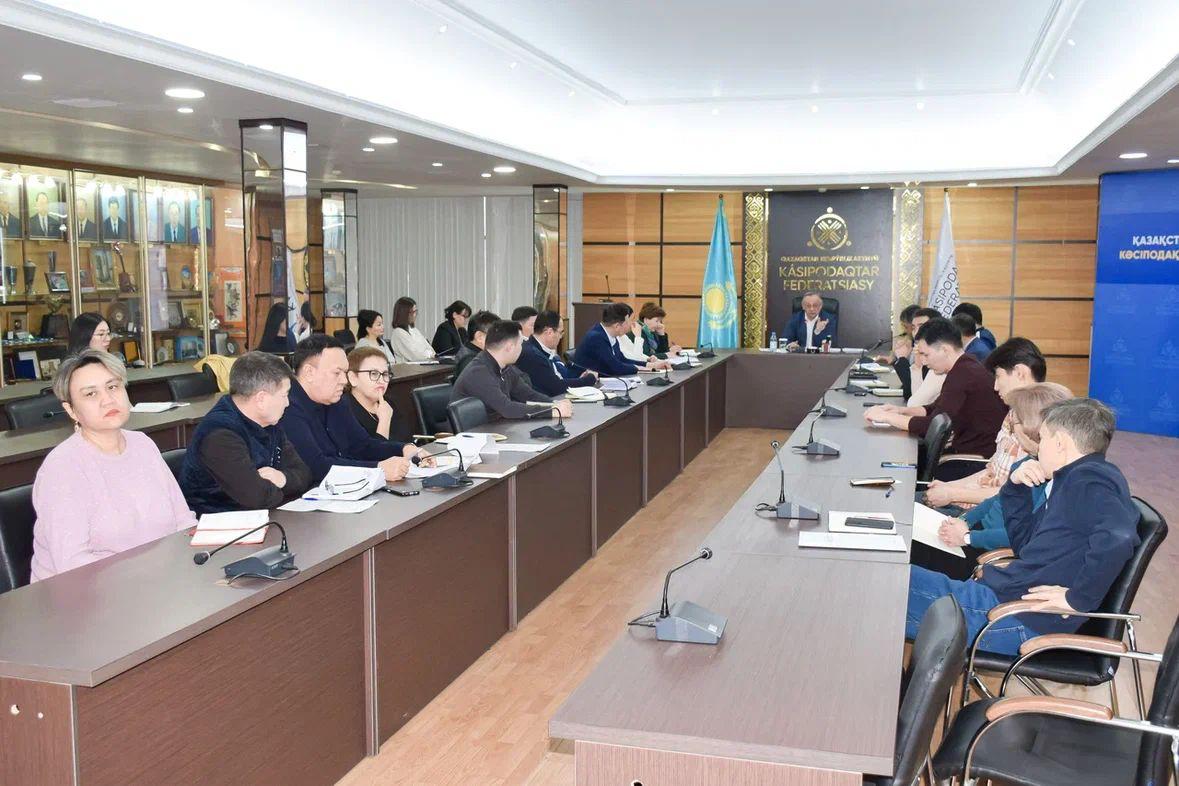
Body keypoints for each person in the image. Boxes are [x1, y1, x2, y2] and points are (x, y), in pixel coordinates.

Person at [905, 398, 1140, 655]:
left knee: (885, 585)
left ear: (1060, 443)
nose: (1038, 448)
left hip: (1013, 617)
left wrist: (1078, 599)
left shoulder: (1091, 478)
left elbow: (1120, 535)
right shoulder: (1071, 480)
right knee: (888, 579)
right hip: (1003, 601)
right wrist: (1016, 487)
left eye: (1043, 438)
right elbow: (1024, 545)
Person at [29, 350, 197, 581]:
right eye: (91, 394)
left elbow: (183, 521)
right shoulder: (62, 468)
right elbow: (72, 565)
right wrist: (147, 576)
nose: (108, 399)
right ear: (71, 410)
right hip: (84, 593)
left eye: (113, 387)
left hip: (158, 580)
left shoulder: (143, 444)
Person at [911, 382, 1070, 580]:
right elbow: (995, 501)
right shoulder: (1027, 463)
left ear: (1032, 426)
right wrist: (964, 521)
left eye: (1015, 421)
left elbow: (1020, 534)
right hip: (974, 533)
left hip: (984, 552)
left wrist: (968, 537)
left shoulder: (1044, 478)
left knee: (909, 550)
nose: (1011, 428)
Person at [922, 338, 1048, 510]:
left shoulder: (1040, 425)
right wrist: (949, 487)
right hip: (975, 502)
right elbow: (991, 470)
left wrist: (952, 494)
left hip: (986, 513)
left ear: (1020, 373)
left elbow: (1012, 494)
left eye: (998, 376)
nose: (995, 387)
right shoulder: (1012, 412)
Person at [179, 351, 312, 513]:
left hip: (262, 517)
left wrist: (282, 478)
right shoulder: (220, 435)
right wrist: (286, 486)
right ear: (261, 399)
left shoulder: (268, 422)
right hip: (220, 523)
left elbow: (304, 474)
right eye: (284, 395)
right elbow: (258, 497)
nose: (287, 403)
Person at [280, 334, 422, 485]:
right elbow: (315, 466)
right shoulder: (286, 406)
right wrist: (378, 468)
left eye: (345, 372)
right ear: (309, 373)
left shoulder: (336, 401)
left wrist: (404, 449)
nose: (344, 380)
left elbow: (362, 445)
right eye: (337, 373)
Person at [864, 317, 1007, 458]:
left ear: (944, 349)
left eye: (926, 354)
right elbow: (935, 409)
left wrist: (887, 417)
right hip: (965, 451)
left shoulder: (963, 374)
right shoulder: (964, 366)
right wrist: (901, 411)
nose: (923, 361)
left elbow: (933, 426)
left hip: (970, 460)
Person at [451, 319, 572, 421]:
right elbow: (507, 408)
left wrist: (555, 403)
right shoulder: (478, 372)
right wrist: (551, 411)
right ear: (509, 347)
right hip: (474, 435)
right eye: (520, 344)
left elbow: (527, 394)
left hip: (495, 428)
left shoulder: (505, 367)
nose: (522, 349)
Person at [515, 310, 598, 396]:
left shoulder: (540, 350)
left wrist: (580, 379)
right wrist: (588, 379)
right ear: (549, 332)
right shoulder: (533, 355)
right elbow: (556, 387)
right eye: (561, 332)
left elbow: (558, 380)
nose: (561, 337)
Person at [573, 303, 670, 376]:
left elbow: (622, 359)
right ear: (617, 326)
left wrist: (650, 365)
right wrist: (645, 369)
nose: (631, 325)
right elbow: (615, 367)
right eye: (628, 322)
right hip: (581, 386)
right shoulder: (596, 338)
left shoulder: (610, 335)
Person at [345, 346, 404, 440]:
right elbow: (371, 449)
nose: (381, 380)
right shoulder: (343, 411)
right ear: (353, 378)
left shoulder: (388, 403)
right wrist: (384, 421)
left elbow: (405, 440)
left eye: (385, 374)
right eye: (373, 373)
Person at [905, 307, 946, 407]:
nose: (916, 333)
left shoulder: (941, 363)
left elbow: (915, 404)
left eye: (922, 327)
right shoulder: (923, 358)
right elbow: (916, 399)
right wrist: (917, 367)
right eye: (913, 328)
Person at [387, 297, 436, 362]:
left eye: (416, 311)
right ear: (403, 314)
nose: (415, 315)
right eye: (413, 312)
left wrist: (426, 353)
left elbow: (431, 350)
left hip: (424, 365)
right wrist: (427, 353)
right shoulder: (398, 333)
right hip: (408, 367)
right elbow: (416, 356)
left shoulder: (414, 330)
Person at [454, 310, 499, 380]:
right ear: (479, 337)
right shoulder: (470, 362)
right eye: (497, 336)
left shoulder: (478, 354)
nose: (501, 341)